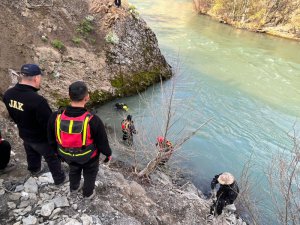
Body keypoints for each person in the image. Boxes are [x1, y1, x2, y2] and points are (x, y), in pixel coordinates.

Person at [3, 64, 66, 185]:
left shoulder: (8, 94)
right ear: (36, 78)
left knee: (30, 150)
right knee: (51, 156)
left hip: (24, 132)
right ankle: (60, 179)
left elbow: (13, 115)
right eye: (40, 78)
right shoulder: (38, 101)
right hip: (40, 138)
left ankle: (34, 169)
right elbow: (49, 124)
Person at [48, 81, 112, 199]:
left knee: (74, 170)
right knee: (90, 174)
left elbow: (51, 139)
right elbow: (102, 143)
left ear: (69, 96)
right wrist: (108, 154)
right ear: (87, 97)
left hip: (66, 154)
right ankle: (88, 194)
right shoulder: (93, 120)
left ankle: (74, 188)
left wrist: (58, 154)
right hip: (88, 156)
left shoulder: (56, 116)